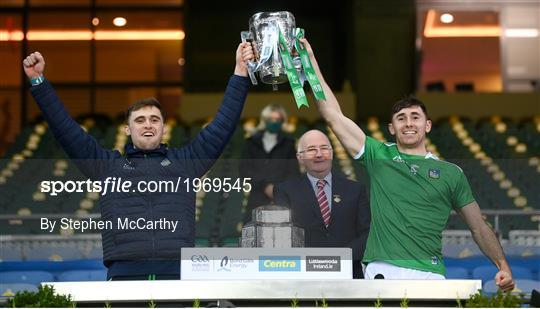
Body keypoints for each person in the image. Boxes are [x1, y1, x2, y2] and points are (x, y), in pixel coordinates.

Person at [22, 42, 254, 280]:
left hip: (176, 274)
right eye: (140, 120)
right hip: (124, 275)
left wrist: (240, 72)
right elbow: (66, 130)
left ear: (164, 128)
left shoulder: (186, 163)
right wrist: (39, 82)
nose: (148, 125)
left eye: (155, 119)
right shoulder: (107, 168)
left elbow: (222, 127)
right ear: (127, 129)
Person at [298, 38, 515, 289]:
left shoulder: (451, 174)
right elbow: (333, 116)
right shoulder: (379, 155)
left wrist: (503, 266)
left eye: (415, 117)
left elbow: (478, 227)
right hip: (382, 271)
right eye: (401, 118)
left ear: (428, 125)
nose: (408, 123)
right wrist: (309, 61)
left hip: (430, 274)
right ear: (392, 128)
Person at [273, 130, 370, 279]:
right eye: (312, 149)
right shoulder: (285, 190)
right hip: (303, 276)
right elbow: (283, 236)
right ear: (300, 157)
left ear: (331, 153)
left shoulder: (355, 189)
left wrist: (340, 259)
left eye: (324, 148)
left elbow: (367, 233)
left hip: (349, 275)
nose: (319, 154)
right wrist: (317, 261)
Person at [239, 103, 300, 223]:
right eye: (271, 119)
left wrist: (277, 190)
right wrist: (265, 185)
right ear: (264, 120)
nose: (274, 122)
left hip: (282, 198)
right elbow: (244, 169)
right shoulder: (251, 143)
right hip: (256, 196)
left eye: (278, 119)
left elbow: (294, 172)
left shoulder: (289, 143)